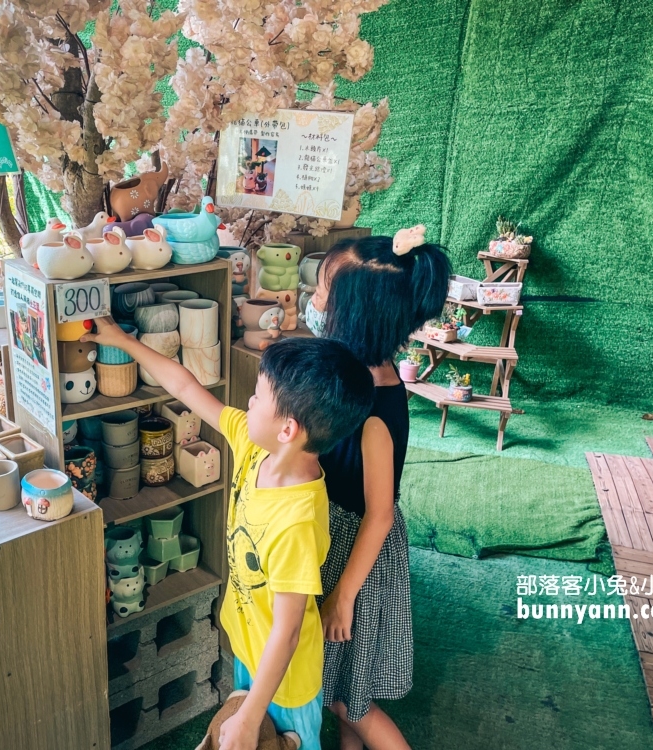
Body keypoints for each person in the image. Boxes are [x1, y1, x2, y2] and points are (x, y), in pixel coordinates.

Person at [82, 322, 375, 750]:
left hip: (286, 679)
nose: (248, 402)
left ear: (288, 429)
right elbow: (184, 387)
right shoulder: (256, 445)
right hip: (250, 649)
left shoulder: (297, 522)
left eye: (257, 396)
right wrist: (125, 343)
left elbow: (288, 632)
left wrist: (252, 714)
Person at [304, 227, 451, 750]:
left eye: (324, 291)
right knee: (350, 686)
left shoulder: (375, 407)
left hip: (357, 554)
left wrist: (343, 597)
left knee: (347, 698)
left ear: (357, 312)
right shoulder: (363, 374)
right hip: (347, 541)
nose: (314, 300)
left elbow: (380, 514)